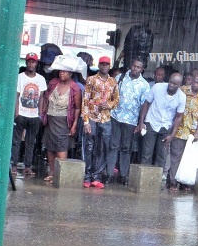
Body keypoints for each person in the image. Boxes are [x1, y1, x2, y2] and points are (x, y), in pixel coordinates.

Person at [106, 58, 150, 185]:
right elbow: (112, 94)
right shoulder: (120, 77)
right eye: (134, 66)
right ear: (131, 65)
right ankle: (109, 174)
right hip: (115, 117)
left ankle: (123, 175)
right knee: (113, 146)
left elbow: (144, 105)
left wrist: (140, 123)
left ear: (142, 69)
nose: (135, 69)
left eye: (138, 67)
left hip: (130, 121)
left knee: (126, 148)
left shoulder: (144, 85)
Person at [82, 56, 119, 189]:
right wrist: (85, 121)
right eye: (102, 64)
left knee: (103, 148)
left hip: (106, 119)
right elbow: (85, 100)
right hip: (92, 117)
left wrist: (108, 105)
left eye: (107, 64)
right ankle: (86, 176)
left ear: (109, 66)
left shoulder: (113, 82)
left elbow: (116, 99)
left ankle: (96, 177)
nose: (104, 66)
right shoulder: (91, 80)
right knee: (89, 147)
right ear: (99, 65)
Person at [169, 73, 198, 192]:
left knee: (188, 159)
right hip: (179, 129)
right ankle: (173, 182)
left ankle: (185, 182)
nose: (195, 84)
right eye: (194, 81)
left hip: (192, 132)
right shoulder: (182, 90)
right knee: (176, 156)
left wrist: (197, 132)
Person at [40, 70, 81, 183]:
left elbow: (77, 108)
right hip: (50, 119)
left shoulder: (75, 88)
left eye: (65, 72)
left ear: (71, 73)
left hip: (64, 121)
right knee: (50, 146)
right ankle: (52, 172)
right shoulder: (53, 83)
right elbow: (45, 98)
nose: (61, 73)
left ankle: (59, 174)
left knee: (61, 147)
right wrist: (43, 112)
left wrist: (74, 125)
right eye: (60, 71)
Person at [138, 73, 185, 169]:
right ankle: (143, 180)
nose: (171, 85)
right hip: (151, 122)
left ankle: (156, 180)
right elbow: (146, 104)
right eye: (171, 82)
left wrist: (172, 134)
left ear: (179, 85)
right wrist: (141, 122)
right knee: (146, 153)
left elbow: (178, 116)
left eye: (175, 84)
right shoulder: (157, 87)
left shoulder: (182, 97)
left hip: (166, 126)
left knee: (162, 155)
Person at [11, 52, 47, 176]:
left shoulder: (40, 79)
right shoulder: (20, 77)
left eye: (34, 62)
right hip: (21, 113)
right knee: (16, 141)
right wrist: (16, 112)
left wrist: (40, 114)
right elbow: (16, 95)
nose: (31, 64)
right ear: (26, 63)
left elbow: (42, 97)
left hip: (34, 115)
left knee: (31, 142)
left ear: (36, 64)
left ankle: (27, 166)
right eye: (29, 62)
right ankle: (14, 165)